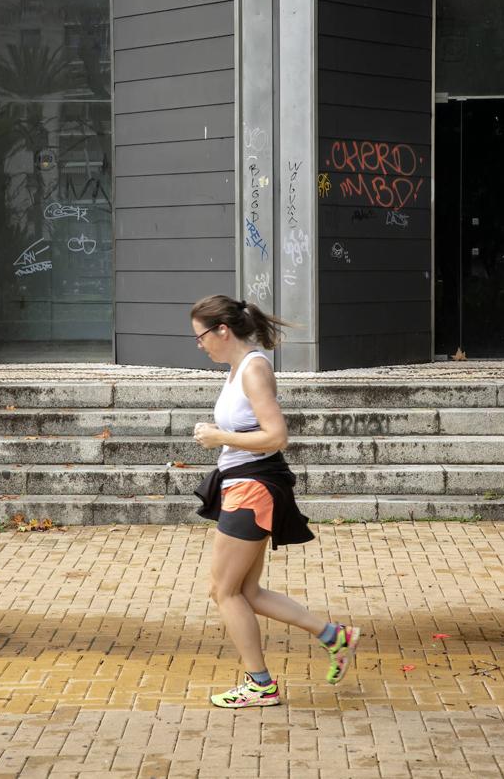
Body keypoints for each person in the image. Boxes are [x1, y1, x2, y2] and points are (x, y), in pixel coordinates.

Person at [191, 294, 360, 708]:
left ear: (222, 331)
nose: (199, 345)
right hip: (244, 483)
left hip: (253, 487)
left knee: (224, 591)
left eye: (200, 337)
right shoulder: (239, 369)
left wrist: (219, 437)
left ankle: (261, 685)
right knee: (247, 592)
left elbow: (276, 436)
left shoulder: (253, 370)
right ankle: (333, 637)